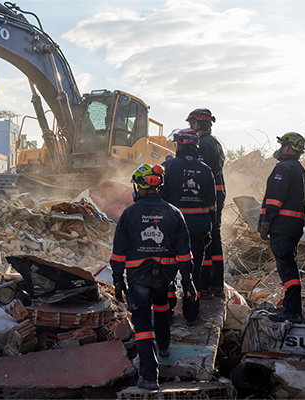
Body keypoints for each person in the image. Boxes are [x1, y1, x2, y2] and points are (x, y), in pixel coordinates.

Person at [110, 163, 192, 390]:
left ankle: (148, 377)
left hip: (138, 279)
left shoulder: (129, 214)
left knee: (143, 324)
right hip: (164, 277)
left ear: (141, 187)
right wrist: (188, 282)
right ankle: (164, 346)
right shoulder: (174, 213)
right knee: (162, 306)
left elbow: (118, 253)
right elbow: (184, 255)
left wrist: (118, 280)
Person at [160, 129, 216, 326]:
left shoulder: (167, 168)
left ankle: (166, 310)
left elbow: (160, 201)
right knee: (194, 271)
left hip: (172, 229)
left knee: (167, 268)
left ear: (179, 145)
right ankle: (192, 313)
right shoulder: (206, 170)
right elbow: (211, 206)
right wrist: (209, 230)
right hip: (198, 228)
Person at [258, 132, 305, 323]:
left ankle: (292, 311)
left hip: (282, 226)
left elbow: (274, 199)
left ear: (288, 148)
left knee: (287, 269)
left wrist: (266, 222)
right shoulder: (299, 169)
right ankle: (292, 308)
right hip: (294, 226)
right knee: (290, 267)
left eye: (282, 145)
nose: (280, 148)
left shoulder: (284, 168)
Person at [186, 108, 226, 298]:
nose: (190, 126)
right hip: (218, 193)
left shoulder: (204, 143)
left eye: (191, 123)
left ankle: (206, 285)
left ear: (197, 124)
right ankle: (217, 284)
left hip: (210, 195)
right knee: (214, 239)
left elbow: (201, 171)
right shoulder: (215, 143)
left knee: (206, 238)